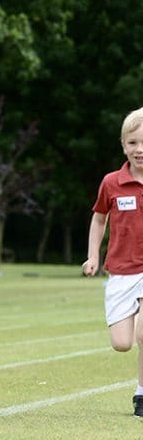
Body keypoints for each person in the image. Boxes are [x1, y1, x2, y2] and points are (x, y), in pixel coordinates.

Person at [82, 106, 143, 418]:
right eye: (133, 143)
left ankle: (142, 394)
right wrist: (93, 256)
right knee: (122, 343)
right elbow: (98, 220)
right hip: (120, 269)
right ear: (123, 145)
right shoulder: (111, 183)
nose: (140, 149)